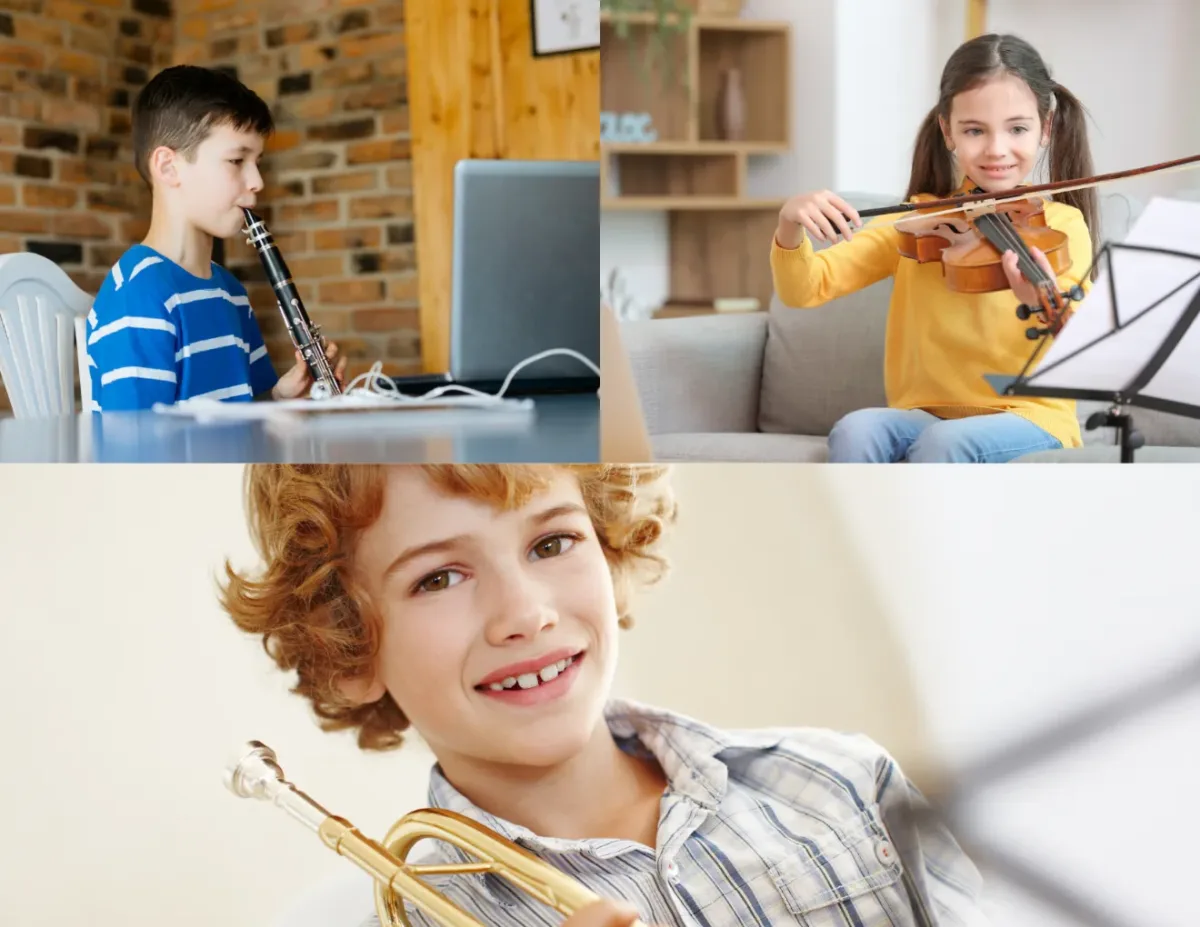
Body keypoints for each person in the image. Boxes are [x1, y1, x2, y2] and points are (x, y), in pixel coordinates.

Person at [219, 464, 988, 926]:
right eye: (439, 577)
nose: (525, 612)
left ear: (610, 547)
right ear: (351, 645)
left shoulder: (843, 783)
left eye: (551, 542)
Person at [772, 34, 1098, 463]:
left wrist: (1037, 300)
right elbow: (805, 289)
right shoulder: (920, 222)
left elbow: (1086, 347)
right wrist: (789, 224)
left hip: (1029, 417)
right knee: (857, 429)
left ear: (1046, 129)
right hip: (924, 415)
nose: (997, 149)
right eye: (974, 130)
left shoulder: (1060, 225)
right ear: (948, 131)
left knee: (946, 442)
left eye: (1017, 128)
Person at [85, 65, 346, 411]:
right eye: (237, 160)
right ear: (168, 167)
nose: (256, 181)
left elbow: (245, 410)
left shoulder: (230, 291)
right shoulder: (139, 295)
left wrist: (281, 398)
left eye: (257, 162)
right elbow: (136, 449)